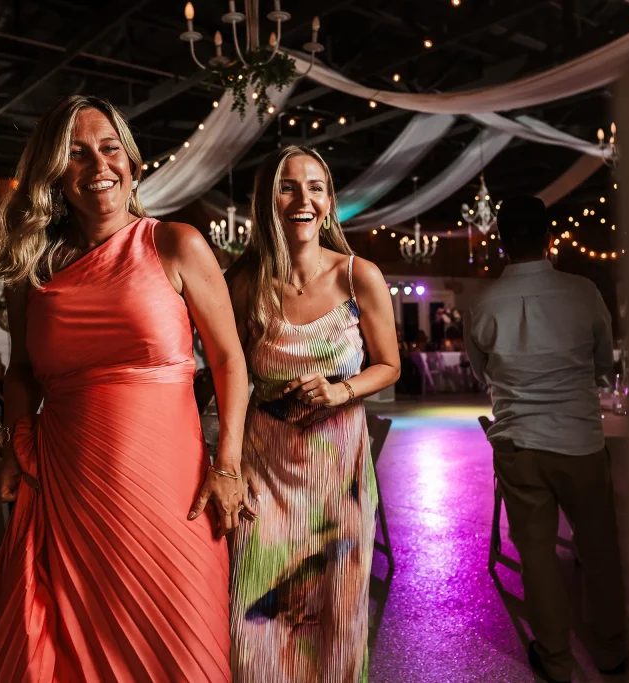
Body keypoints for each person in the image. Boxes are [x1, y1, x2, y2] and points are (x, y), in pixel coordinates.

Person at [0, 95, 249, 682]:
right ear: (54, 172)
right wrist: (14, 447)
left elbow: (229, 360)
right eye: (77, 153)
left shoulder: (175, 243)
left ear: (132, 161)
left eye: (109, 148)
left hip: (172, 494)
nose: (98, 165)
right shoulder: (33, 267)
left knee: (183, 650)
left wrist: (228, 464)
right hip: (67, 486)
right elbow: (20, 371)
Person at [225, 145, 400, 682]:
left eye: (316, 187)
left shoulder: (358, 276)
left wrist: (343, 390)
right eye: (288, 186)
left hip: (337, 478)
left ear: (328, 203)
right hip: (265, 470)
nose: (303, 199)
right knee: (252, 622)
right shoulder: (245, 282)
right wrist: (229, 462)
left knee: (334, 618)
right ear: (266, 201)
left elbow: (389, 365)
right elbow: (228, 375)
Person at [464, 197, 629, 683]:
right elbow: (603, 366)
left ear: (501, 243)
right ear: (549, 237)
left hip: (519, 444)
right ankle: (612, 650)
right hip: (579, 440)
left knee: (535, 555)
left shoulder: (483, 303)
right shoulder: (582, 292)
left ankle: (555, 659)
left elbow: (482, 374)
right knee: (599, 549)